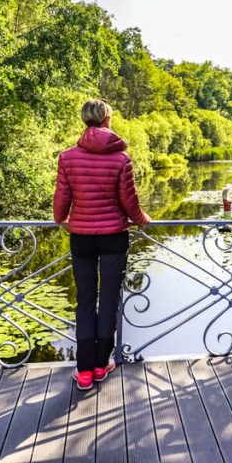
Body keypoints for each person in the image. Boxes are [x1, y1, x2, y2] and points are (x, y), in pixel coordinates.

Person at [54, 98, 151, 390]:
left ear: (85, 120)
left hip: (81, 237)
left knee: (85, 299)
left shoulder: (67, 157)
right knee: (108, 299)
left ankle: (84, 370)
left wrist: (60, 219)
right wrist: (141, 219)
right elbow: (129, 201)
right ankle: (100, 364)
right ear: (107, 119)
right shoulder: (121, 159)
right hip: (113, 238)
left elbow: (62, 197)